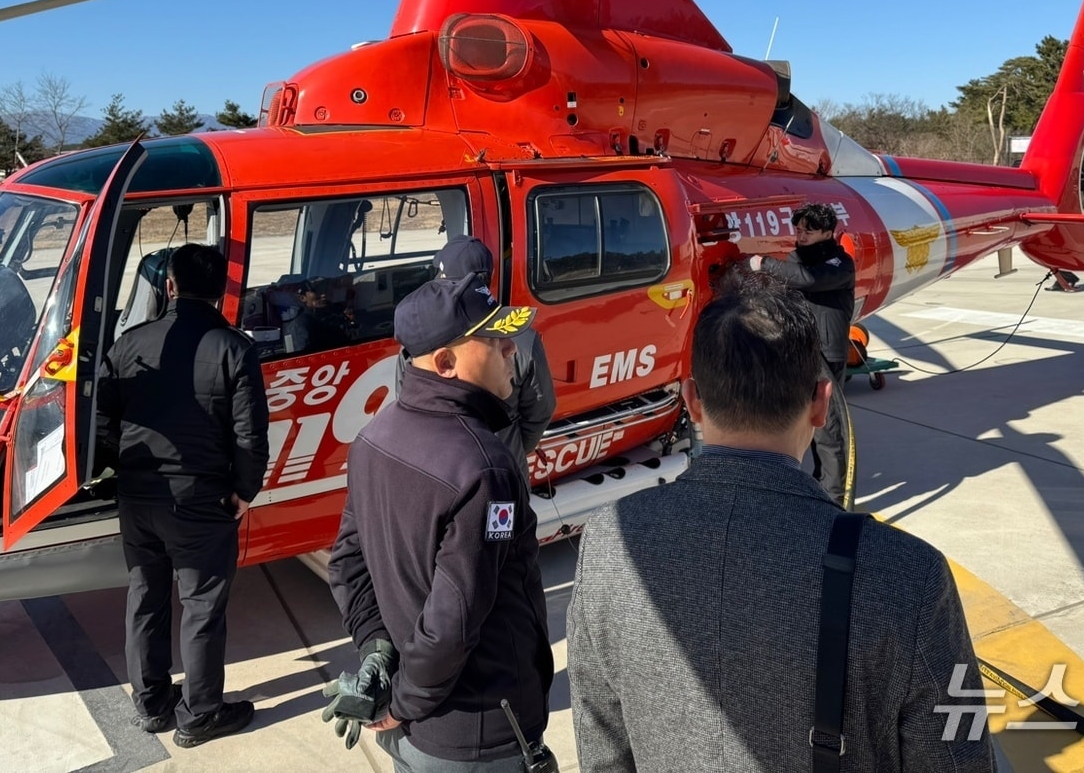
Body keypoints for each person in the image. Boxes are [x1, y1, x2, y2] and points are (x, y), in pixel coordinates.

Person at [567, 276, 996, 772]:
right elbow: (959, 757)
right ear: (821, 403)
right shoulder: (907, 573)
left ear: (692, 400)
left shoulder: (610, 543)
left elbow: (601, 752)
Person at [330, 272, 554, 771]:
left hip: (415, 726)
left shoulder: (372, 439)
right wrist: (401, 703)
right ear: (446, 363)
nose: (511, 350)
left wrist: (377, 651)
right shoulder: (484, 468)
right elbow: (452, 622)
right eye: (494, 341)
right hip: (477, 734)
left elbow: (347, 565)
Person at [95, 243, 269, 749]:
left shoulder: (129, 343)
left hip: (138, 496)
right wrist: (245, 491)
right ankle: (201, 714)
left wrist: (125, 469)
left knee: (145, 598)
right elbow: (250, 434)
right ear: (221, 290)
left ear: (168, 286)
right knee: (202, 607)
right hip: (200, 499)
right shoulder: (235, 348)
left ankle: (152, 704)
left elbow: (100, 421)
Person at [396, 236, 556, 466]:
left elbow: (406, 402)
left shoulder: (418, 338)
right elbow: (540, 411)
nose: (508, 348)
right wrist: (513, 446)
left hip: (439, 461)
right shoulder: (524, 337)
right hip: (504, 458)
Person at [748, 201, 856, 506]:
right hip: (798, 350)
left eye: (809, 229)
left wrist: (763, 263)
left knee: (828, 429)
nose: (801, 234)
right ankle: (802, 485)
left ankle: (834, 499)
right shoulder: (796, 261)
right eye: (798, 228)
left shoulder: (839, 264)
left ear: (827, 232)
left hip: (825, 354)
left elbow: (809, 279)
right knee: (795, 423)